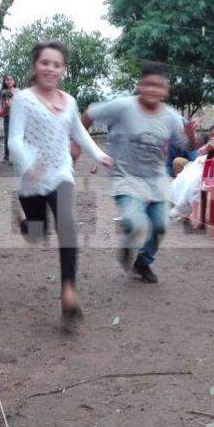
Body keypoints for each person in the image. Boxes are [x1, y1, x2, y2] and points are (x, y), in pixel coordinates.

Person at [8, 41, 111, 317]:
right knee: (37, 233)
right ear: (34, 66)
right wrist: (29, 165)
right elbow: (14, 140)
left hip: (61, 172)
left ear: (63, 69)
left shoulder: (69, 101)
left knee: (67, 224)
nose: (50, 69)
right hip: (30, 178)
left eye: (56, 64)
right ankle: (23, 221)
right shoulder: (23, 99)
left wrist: (100, 156)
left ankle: (68, 291)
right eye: (45, 63)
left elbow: (79, 133)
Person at [82, 62, 200, 284]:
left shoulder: (171, 117)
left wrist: (192, 134)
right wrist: (85, 147)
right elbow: (88, 115)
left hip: (156, 181)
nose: (153, 90)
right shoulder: (123, 107)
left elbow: (190, 148)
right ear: (140, 85)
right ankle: (129, 241)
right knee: (136, 224)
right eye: (149, 84)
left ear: (166, 90)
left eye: (159, 86)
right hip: (125, 177)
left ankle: (143, 262)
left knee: (160, 226)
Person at [169, 121, 214, 221]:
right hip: (205, 173)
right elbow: (199, 154)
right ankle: (182, 204)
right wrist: (208, 148)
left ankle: (182, 206)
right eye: (212, 135)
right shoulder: (211, 148)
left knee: (195, 180)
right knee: (187, 177)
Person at [0, 74, 19, 164]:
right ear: (4, 82)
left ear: (14, 81)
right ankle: (6, 156)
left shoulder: (17, 92)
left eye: (11, 79)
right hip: (7, 117)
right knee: (7, 137)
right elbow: (1, 105)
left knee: (16, 137)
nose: (9, 81)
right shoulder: (3, 92)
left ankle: (15, 157)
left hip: (16, 118)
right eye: (7, 80)